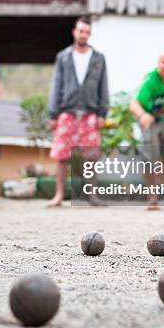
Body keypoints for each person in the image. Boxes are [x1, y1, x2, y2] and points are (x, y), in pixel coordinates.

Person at [48, 17, 109, 207]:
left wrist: (102, 112)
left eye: (86, 32)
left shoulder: (98, 58)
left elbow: (103, 86)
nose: (83, 34)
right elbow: (56, 85)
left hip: (91, 112)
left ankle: (92, 196)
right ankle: (59, 195)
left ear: (89, 34)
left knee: (91, 157)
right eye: (80, 31)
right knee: (62, 155)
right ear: (74, 32)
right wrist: (53, 113)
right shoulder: (63, 57)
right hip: (67, 111)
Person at [130, 51, 164, 209]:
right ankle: (152, 197)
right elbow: (133, 104)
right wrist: (142, 116)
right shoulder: (150, 82)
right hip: (150, 120)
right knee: (150, 157)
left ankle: (162, 177)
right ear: (158, 64)